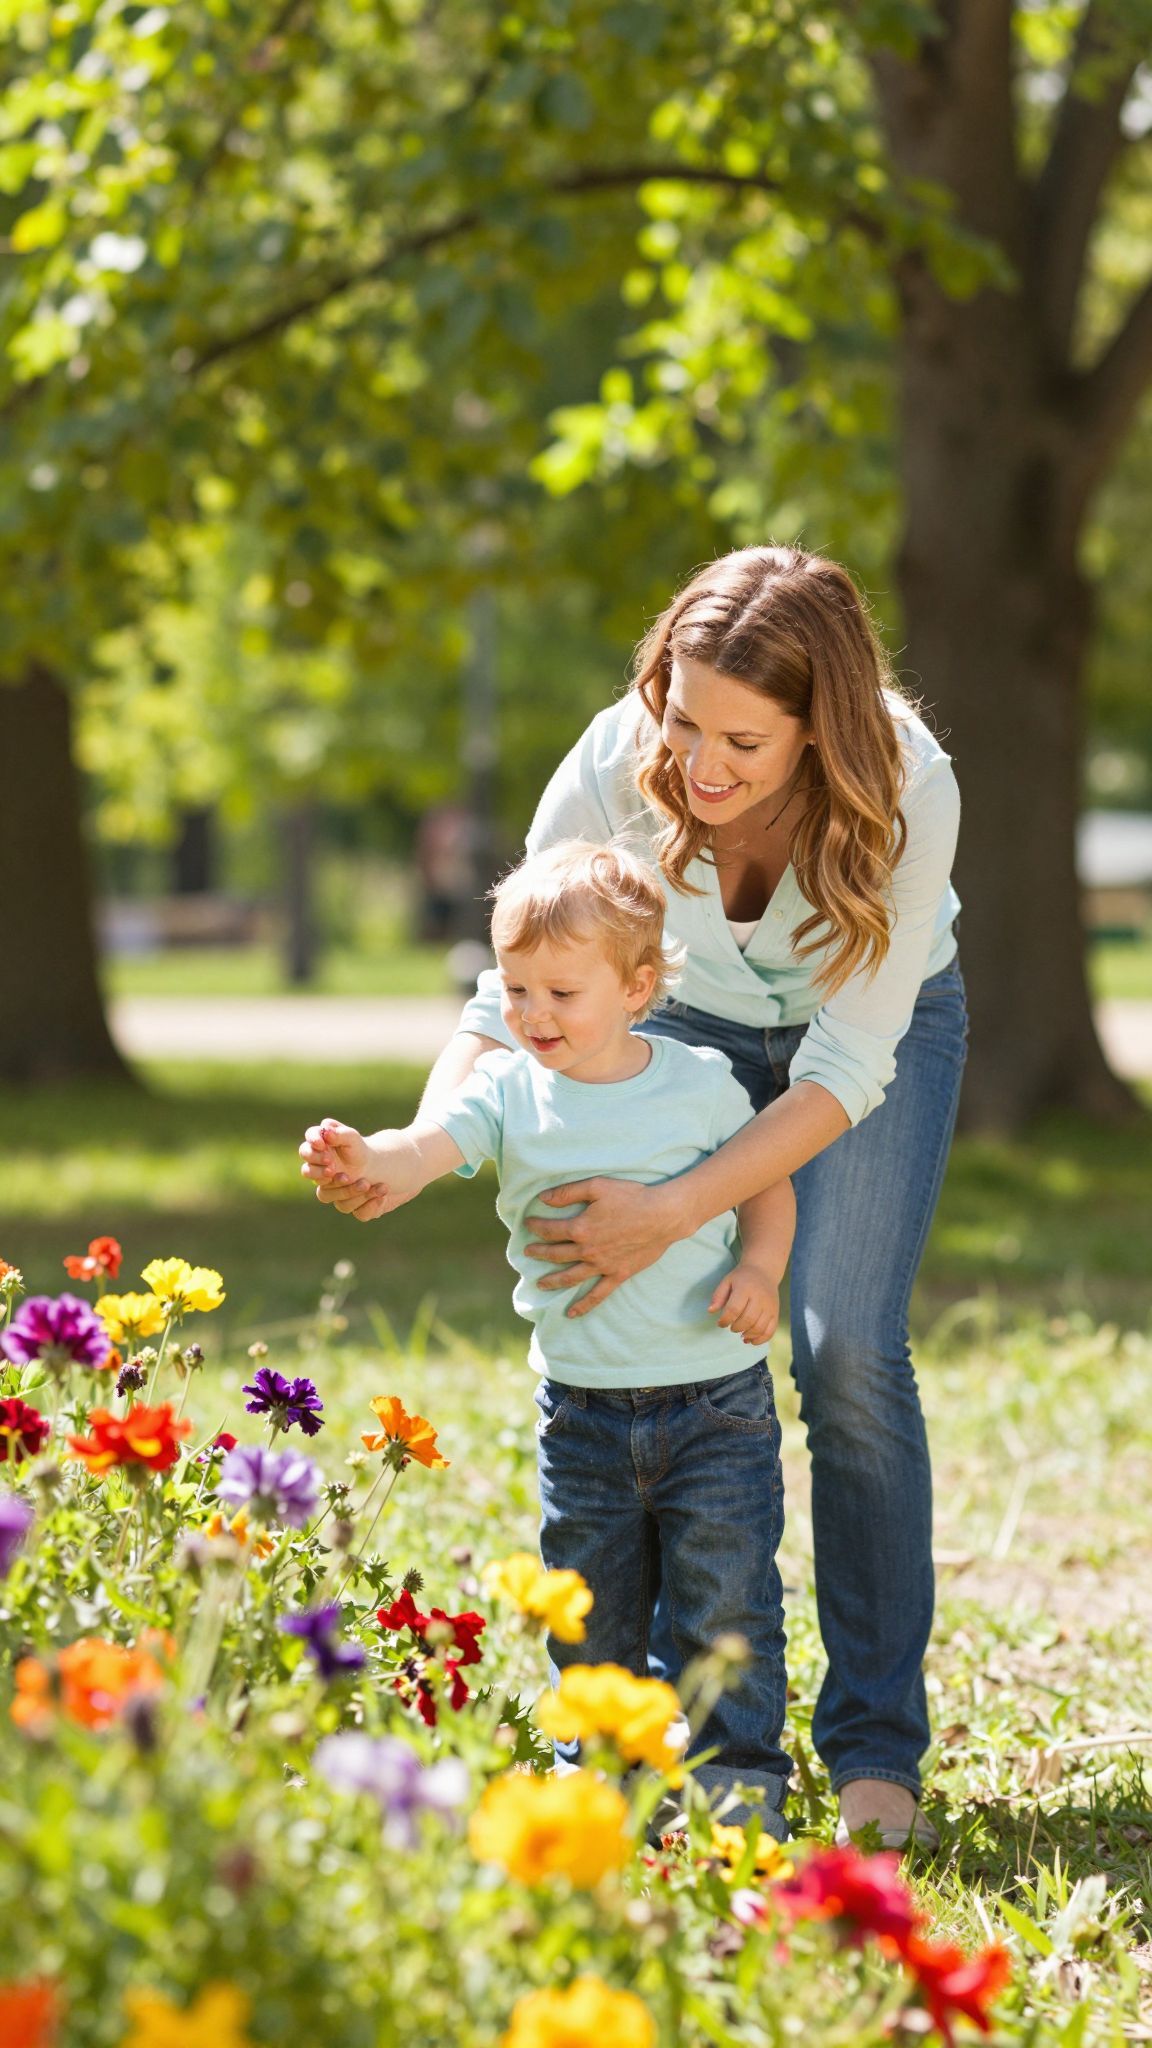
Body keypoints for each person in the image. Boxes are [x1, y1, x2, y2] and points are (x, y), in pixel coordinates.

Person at [318, 545, 967, 1852]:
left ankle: (873, 1744)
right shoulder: (622, 755)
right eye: (683, 720)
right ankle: (643, 1727)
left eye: (743, 740)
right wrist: (417, 1141)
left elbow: (843, 1071)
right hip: (689, 1021)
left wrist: (678, 1208)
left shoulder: (911, 782)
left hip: (866, 1040)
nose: (700, 766)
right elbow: (513, 992)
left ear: (820, 728)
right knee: (661, 1348)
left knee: (843, 1351)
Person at [300, 841, 797, 1835]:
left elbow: (764, 1184)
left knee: (727, 1605)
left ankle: (735, 1795)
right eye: (516, 986)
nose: (532, 1013)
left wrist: (759, 1271)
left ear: (639, 985)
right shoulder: (507, 1091)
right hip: (581, 1414)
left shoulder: (699, 1084)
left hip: (716, 1405)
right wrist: (369, 1156)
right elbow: (425, 1147)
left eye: (562, 990)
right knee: (591, 1614)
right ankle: (597, 1791)